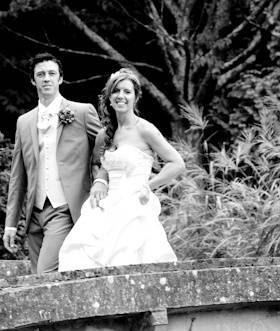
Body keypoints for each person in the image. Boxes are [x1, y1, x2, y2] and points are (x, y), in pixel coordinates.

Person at [58, 67, 185, 271]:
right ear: (109, 98)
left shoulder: (145, 129)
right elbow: (102, 164)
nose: (121, 96)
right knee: (83, 252)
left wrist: (148, 185)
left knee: (127, 257)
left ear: (135, 98)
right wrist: (100, 181)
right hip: (107, 203)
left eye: (127, 91)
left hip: (134, 203)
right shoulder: (105, 134)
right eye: (116, 91)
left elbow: (177, 163)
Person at [3, 53, 104, 273]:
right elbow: (17, 176)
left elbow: (107, 148)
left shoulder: (81, 112)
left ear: (60, 79)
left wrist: (102, 180)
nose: (46, 78)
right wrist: (11, 224)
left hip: (64, 209)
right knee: (39, 280)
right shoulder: (24, 122)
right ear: (33, 80)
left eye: (51, 74)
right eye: (40, 74)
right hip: (34, 216)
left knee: (44, 274)